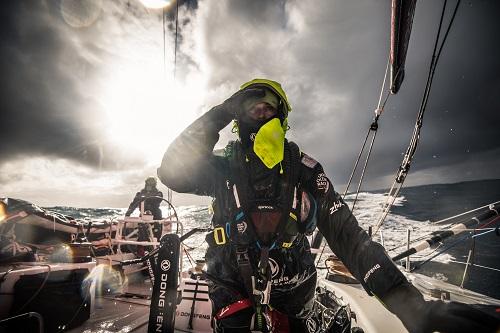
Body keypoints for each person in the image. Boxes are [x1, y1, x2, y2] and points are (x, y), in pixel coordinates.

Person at [157, 79, 499, 332]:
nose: (261, 115)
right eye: (251, 108)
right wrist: (218, 113)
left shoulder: (304, 170)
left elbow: (349, 236)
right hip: (230, 284)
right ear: (238, 117)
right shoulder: (222, 167)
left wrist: (410, 305)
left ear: (282, 116)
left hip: (295, 288)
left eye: (269, 108)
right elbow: (171, 171)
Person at [125, 176, 163, 240]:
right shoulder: (140, 193)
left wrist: (147, 197)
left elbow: (159, 199)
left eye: (151, 184)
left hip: (155, 214)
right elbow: (134, 203)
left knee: (158, 218)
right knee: (141, 226)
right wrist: (128, 212)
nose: (149, 185)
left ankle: (157, 238)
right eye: (148, 183)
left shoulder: (158, 193)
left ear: (154, 185)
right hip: (143, 214)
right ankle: (141, 241)